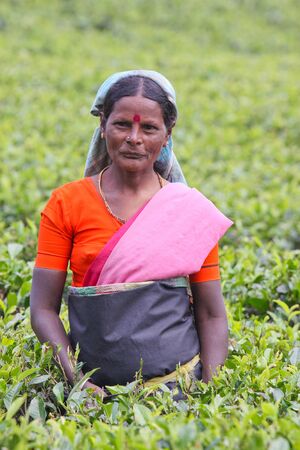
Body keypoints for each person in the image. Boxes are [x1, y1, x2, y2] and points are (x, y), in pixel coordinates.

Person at [30, 70, 232, 399]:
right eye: (122, 124)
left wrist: (208, 392)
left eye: (149, 127)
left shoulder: (188, 211)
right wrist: (77, 381)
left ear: (168, 134)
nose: (134, 138)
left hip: (178, 390)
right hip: (92, 397)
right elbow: (42, 308)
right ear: (103, 125)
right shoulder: (66, 203)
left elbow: (211, 314)